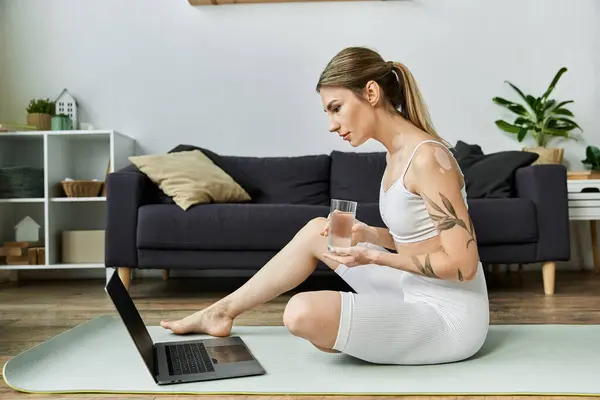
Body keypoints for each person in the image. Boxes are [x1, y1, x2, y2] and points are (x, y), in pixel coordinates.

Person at [160, 46, 489, 365]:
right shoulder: (395, 156)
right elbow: (424, 239)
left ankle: (366, 336)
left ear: (371, 93)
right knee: (319, 230)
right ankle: (221, 312)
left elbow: (462, 265)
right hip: (411, 289)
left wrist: (374, 258)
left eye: (336, 108)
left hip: (449, 317)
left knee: (301, 313)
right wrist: (372, 236)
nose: (332, 124)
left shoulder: (428, 158)